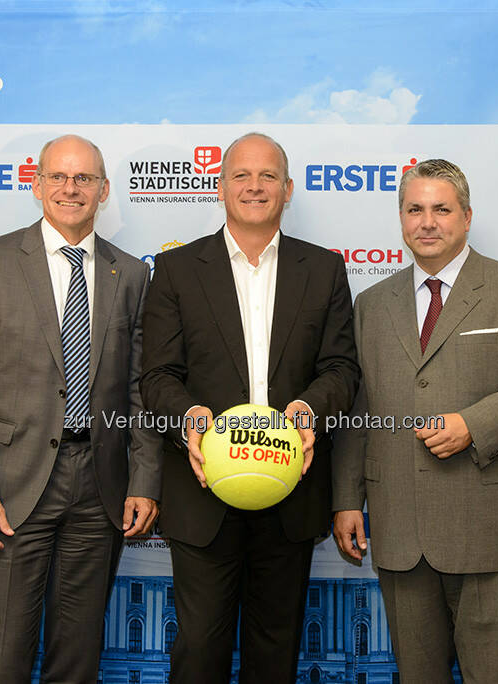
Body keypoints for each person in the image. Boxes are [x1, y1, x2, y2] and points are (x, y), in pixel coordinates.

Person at [332, 158, 498, 683]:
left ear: (466, 217)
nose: (427, 222)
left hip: (488, 532)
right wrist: (348, 499)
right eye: (414, 209)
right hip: (399, 534)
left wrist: (474, 424)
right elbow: (358, 410)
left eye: (441, 209)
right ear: (400, 218)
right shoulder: (372, 304)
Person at [140, 132, 359, 683]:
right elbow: (158, 376)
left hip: (291, 491)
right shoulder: (176, 270)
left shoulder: (325, 269)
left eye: (267, 177)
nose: (254, 186)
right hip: (203, 489)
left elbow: (341, 369)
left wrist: (309, 408)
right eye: (241, 175)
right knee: (198, 650)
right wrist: (189, 420)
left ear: (287, 189)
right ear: (220, 186)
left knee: (275, 649)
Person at [0, 134, 160, 682]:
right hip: (11, 488)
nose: (71, 188)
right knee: (2, 658)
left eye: (84, 178)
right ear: (36, 184)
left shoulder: (131, 273)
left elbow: (140, 388)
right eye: (58, 177)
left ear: (104, 190)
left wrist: (145, 480)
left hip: (100, 487)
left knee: (77, 656)